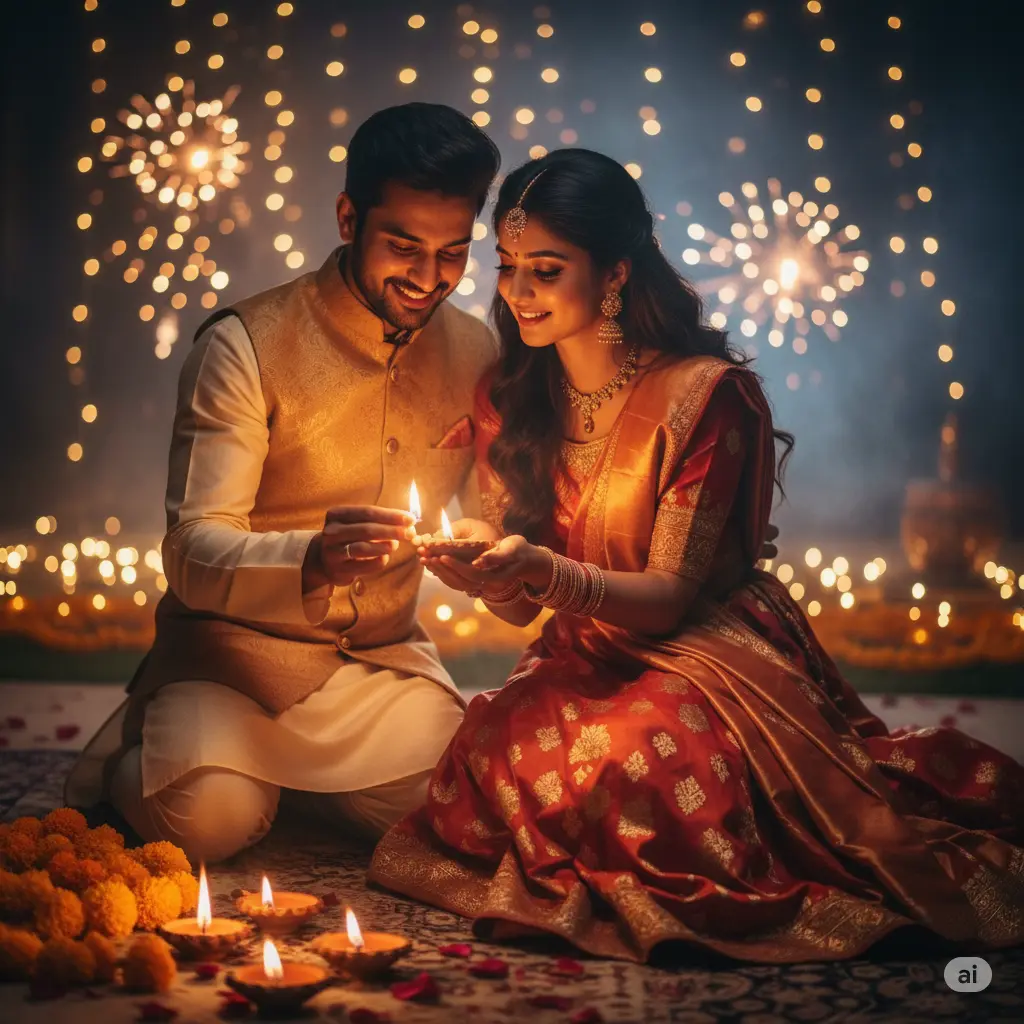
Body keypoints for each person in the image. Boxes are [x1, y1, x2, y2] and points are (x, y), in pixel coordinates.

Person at [369, 148, 1024, 963]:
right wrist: (482, 574)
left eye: (546, 269)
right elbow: (519, 609)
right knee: (490, 748)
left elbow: (670, 597)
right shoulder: (511, 397)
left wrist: (540, 569)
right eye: (507, 265)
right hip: (584, 651)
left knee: (638, 766)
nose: (518, 291)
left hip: (707, 648)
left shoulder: (704, 395)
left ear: (614, 274)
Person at [65, 103, 503, 863]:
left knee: (466, 807)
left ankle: (289, 788)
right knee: (208, 821)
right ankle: (165, 764)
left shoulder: (475, 350)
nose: (429, 278)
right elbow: (192, 551)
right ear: (347, 218)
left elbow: (490, 521)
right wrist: (312, 560)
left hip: (376, 670)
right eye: (404, 247)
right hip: (231, 665)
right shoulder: (244, 344)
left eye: (453, 252)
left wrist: (482, 548)